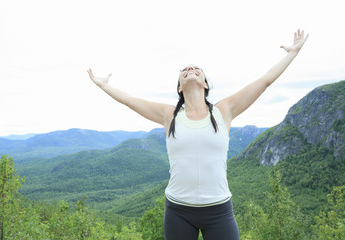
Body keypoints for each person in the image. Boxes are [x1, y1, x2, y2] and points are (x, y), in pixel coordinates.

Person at [88, 29, 309, 240]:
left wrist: (292, 53)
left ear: (204, 83)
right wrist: (104, 86)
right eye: (184, 70)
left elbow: (264, 81)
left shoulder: (224, 111)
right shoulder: (169, 115)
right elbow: (130, 101)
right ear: (180, 88)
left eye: (196, 69)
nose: (190, 69)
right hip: (177, 211)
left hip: (219, 210)